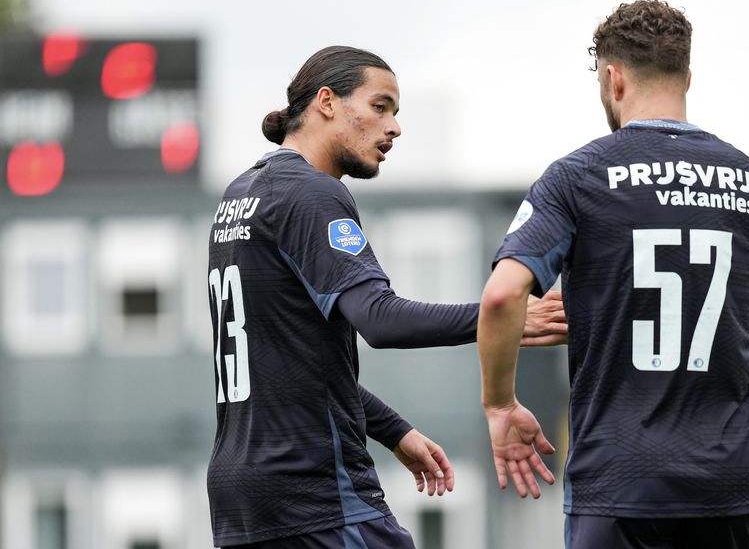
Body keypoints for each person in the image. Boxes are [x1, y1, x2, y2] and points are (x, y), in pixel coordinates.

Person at [207, 46, 567, 549]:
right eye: (381, 107)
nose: (394, 126)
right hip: (314, 494)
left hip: (241, 500)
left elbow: (289, 368)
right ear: (327, 102)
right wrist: (502, 317)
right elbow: (379, 320)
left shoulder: (240, 195)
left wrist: (394, 430)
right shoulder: (311, 193)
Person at [477, 0, 749, 549]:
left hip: (621, 477)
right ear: (687, 75)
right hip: (734, 478)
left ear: (613, 79)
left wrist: (500, 403)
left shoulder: (578, 176)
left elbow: (501, 298)